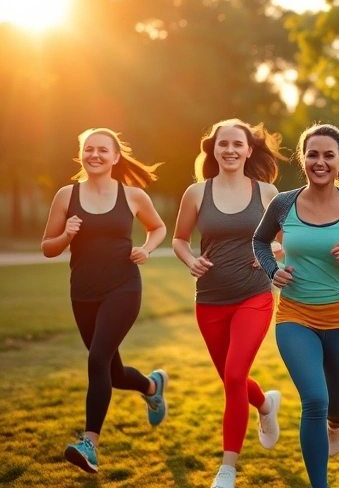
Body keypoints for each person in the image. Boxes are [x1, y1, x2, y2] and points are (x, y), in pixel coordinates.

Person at [253, 123, 339, 488]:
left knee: (334, 405)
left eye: (328, 155)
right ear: (303, 159)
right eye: (312, 155)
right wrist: (273, 269)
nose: (320, 162)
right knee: (314, 401)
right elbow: (259, 240)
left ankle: (338, 421)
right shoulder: (283, 203)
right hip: (295, 317)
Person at [40, 128, 169, 474]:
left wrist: (146, 248)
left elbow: (158, 228)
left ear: (115, 157)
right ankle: (152, 386)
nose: (94, 155)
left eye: (102, 150)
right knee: (110, 372)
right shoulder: (67, 196)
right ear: (81, 154)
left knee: (97, 358)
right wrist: (66, 235)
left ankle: (90, 445)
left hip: (124, 288)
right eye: (88, 149)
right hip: (83, 293)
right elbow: (47, 247)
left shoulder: (133, 196)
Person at [171, 119, 289, 488]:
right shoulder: (196, 193)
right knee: (231, 377)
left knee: (235, 375)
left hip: (254, 295)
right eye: (223, 144)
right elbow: (179, 239)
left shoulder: (267, 193)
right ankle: (266, 405)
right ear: (214, 149)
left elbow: (288, 240)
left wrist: (272, 250)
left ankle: (227, 467)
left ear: (248, 150)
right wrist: (191, 261)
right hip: (209, 299)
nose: (230, 150)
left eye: (237, 144)